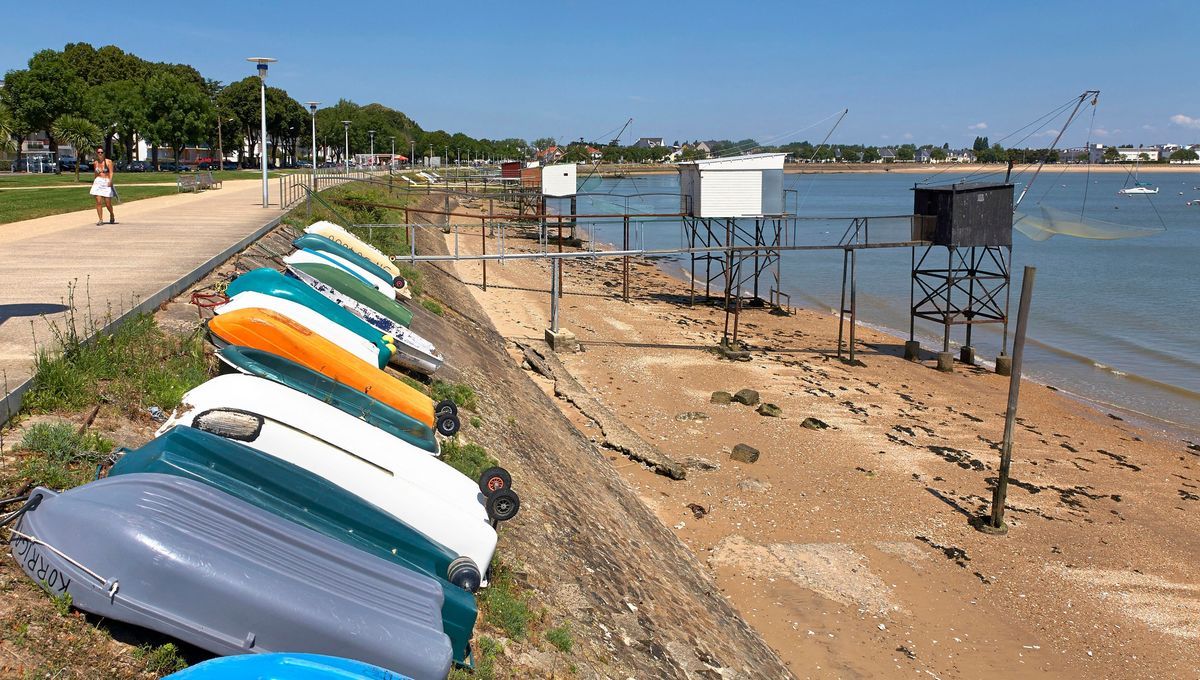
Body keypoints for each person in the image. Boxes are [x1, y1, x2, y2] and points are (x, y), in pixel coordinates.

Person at [90, 147, 116, 225]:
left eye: (101, 152)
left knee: (107, 203)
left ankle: (111, 214)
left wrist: (110, 181)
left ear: (104, 153)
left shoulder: (108, 162)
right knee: (98, 201)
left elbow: (111, 172)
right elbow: (96, 173)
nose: (100, 153)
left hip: (106, 181)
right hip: (98, 181)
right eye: (98, 152)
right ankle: (100, 219)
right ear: (96, 153)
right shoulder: (95, 163)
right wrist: (94, 182)